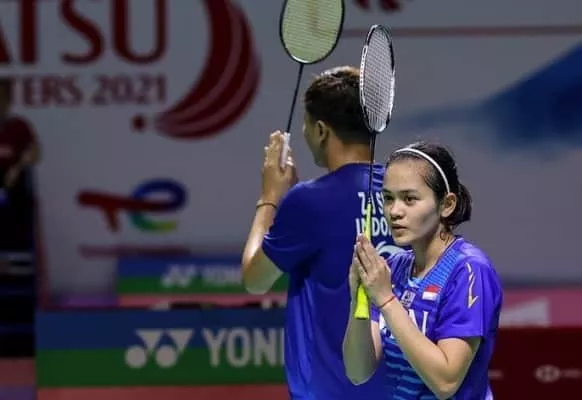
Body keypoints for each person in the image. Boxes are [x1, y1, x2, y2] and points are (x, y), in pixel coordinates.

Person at [241, 66, 400, 399]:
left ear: (321, 130)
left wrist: (270, 197)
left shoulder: (308, 201)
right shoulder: (406, 195)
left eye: (307, 124)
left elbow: (255, 279)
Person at [343, 141, 503, 399]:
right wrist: (357, 298)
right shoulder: (393, 268)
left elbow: (445, 382)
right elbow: (357, 372)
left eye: (410, 199)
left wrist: (386, 300)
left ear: (447, 204)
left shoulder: (469, 270)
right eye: (388, 198)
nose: (394, 211)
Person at [0, 78, 40, 251]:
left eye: (2, 98)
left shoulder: (19, 126)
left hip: (13, 180)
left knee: (19, 184)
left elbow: (34, 153)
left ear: (8, 102)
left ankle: (16, 250)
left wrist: (17, 168)